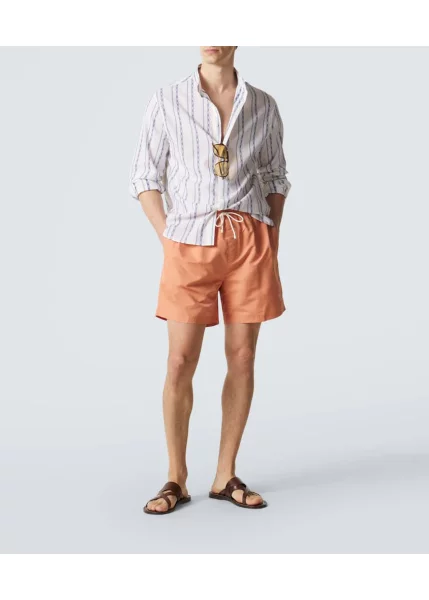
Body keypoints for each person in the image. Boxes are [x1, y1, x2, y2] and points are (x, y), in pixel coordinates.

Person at [129, 46, 291, 514]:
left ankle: (225, 475)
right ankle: (175, 478)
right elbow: (144, 176)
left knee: (242, 356)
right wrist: (169, 237)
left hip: (249, 241)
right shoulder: (167, 99)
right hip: (189, 242)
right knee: (180, 360)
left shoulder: (262, 104)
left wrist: (271, 238)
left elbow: (275, 175)